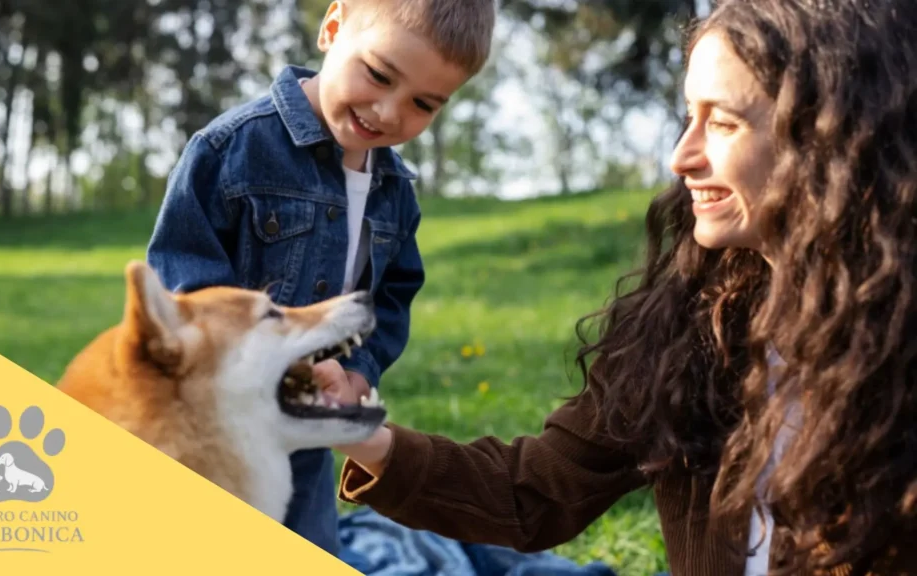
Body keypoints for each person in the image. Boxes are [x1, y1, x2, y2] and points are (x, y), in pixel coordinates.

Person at [334, 0, 917, 573]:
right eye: (689, 116)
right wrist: (360, 433)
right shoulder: (699, 321)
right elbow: (534, 492)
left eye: (722, 122)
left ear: (834, 137)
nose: (681, 156)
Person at [145, 0, 496, 557]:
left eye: (423, 104)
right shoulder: (231, 151)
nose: (387, 111)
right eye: (379, 74)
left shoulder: (396, 191)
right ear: (332, 27)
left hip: (302, 430)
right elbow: (185, 286)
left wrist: (356, 370)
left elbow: (389, 297)